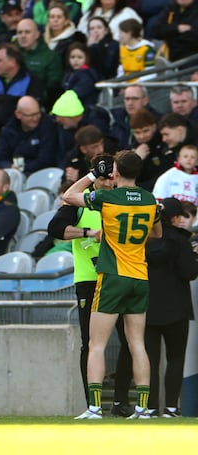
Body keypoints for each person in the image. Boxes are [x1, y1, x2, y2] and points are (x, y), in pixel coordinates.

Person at [62, 150, 162, 420]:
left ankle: (95, 408)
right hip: (139, 276)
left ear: (115, 172)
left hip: (113, 275)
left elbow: (68, 196)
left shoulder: (107, 197)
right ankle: (142, 408)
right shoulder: (150, 199)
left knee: (97, 344)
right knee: (137, 344)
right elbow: (157, 233)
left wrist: (93, 174)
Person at [48, 154, 134, 415]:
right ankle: (92, 404)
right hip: (89, 280)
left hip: (118, 277)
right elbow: (55, 228)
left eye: (111, 178)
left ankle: (120, 401)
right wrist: (88, 233)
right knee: (89, 343)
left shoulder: (121, 200)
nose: (108, 184)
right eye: (103, 178)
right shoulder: (81, 203)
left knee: (130, 342)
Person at [144, 198, 198, 417]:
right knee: (175, 359)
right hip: (177, 308)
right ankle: (171, 407)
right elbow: (189, 273)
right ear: (176, 218)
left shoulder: (144, 239)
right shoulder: (181, 241)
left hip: (147, 307)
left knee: (149, 360)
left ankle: (149, 407)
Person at [0, 96, 60, 175]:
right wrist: (9, 166)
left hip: (41, 174)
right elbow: (1, 158)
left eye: (37, 114)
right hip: (14, 173)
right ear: (18, 114)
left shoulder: (48, 127)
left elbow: (46, 160)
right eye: (30, 115)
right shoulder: (8, 130)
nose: (35, 118)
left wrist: (22, 168)